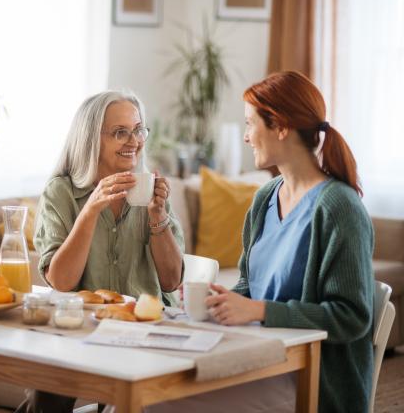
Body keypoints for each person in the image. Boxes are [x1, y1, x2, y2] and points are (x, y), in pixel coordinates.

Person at [149, 71, 374, 413]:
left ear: (281, 127)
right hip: (257, 360)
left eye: (250, 124)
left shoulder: (339, 207)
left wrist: (259, 311)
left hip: (308, 381)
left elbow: (352, 316)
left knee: (156, 406)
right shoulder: (265, 198)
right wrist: (220, 300)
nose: (245, 137)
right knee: (147, 393)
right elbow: (248, 285)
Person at [15, 90, 185, 413]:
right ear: (91, 140)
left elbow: (171, 280)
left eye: (138, 130)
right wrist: (90, 210)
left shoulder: (148, 190)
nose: (133, 141)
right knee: (45, 397)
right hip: (79, 332)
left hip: (144, 332)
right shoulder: (61, 193)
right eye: (121, 132)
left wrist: (158, 217)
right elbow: (61, 281)